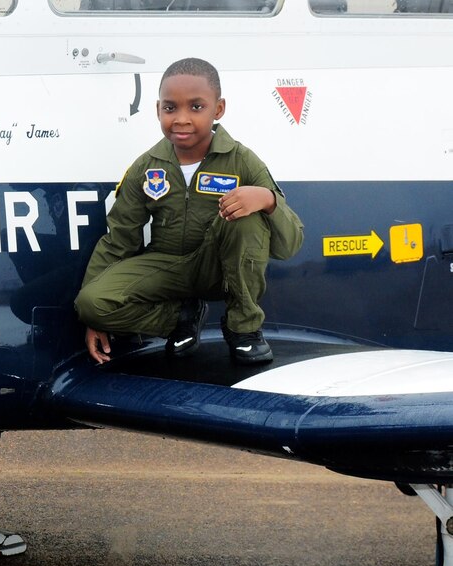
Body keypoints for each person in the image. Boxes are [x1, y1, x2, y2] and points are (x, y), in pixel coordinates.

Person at [75, 57, 304, 366]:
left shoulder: (242, 161)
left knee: (245, 220)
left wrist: (266, 199)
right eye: (170, 108)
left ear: (218, 109)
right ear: (158, 110)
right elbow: (120, 239)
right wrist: (98, 317)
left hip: (219, 268)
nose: (181, 119)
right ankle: (179, 319)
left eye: (196, 107)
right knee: (90, 302)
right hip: (167, 268)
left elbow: (289, 244)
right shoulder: (147, 167)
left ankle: (244, 329)